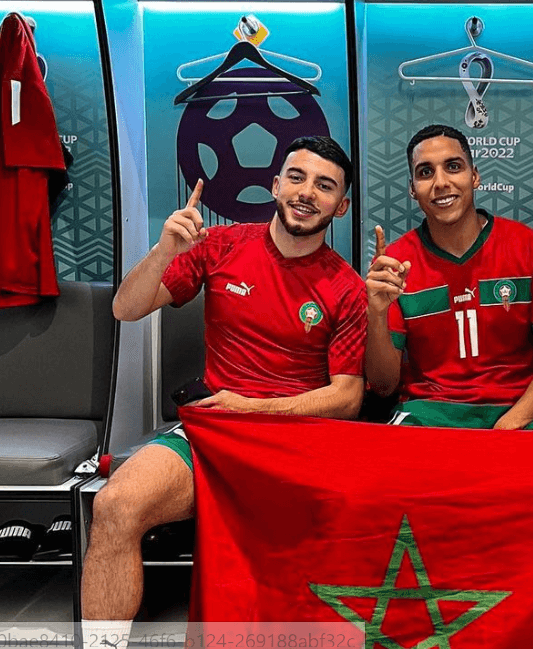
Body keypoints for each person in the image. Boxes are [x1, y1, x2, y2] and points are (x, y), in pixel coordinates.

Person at [81, 137, 366, 641]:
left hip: (297, 442)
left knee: (350, 521)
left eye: (325, 186)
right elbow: (126, 308)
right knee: (115, 506)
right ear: (275, 185)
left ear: (340, 206)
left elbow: (347, 396)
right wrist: (164, 250)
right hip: (211, 434)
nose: (306, 192)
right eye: (297, 177)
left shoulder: (347, 287)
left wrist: (253, 408)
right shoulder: (219, 245)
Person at [365, 124, 533, 430]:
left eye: (453, 167)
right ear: (412, 189)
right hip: (427, 412)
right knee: (388, 456)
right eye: (425, 172)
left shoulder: (529, 247)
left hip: (520, 409)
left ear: (474, 176)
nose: (441, 183)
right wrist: (377, 315)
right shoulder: (394, 264)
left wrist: (512, 422)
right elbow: (383, 386)